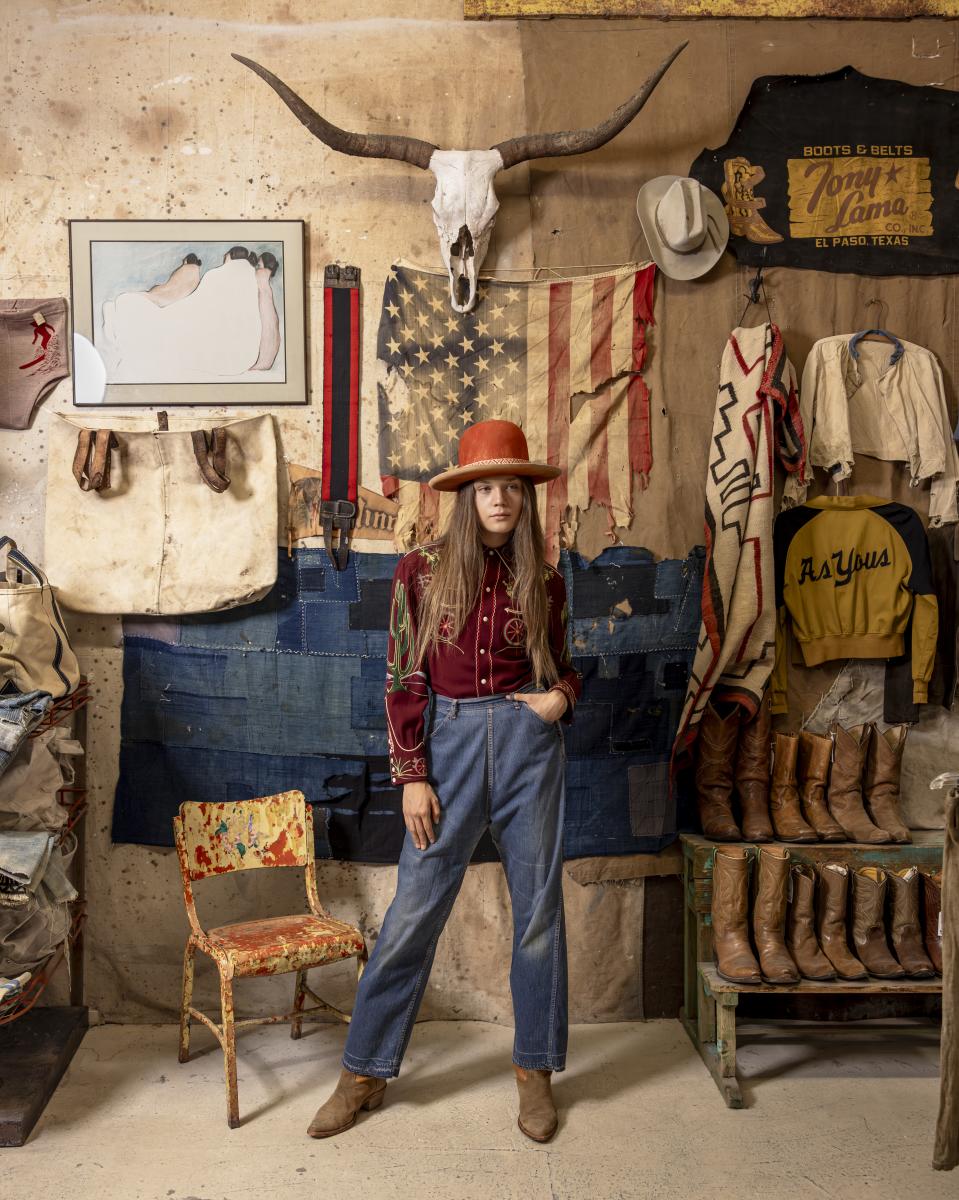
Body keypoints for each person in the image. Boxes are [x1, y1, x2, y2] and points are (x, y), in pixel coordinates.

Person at [308, 419, 581, 1143]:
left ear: (525, 495)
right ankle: (362, 1071)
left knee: (538, 916)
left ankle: (534, 1073)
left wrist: (560, 699)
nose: (499, 499)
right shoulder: (420, 571)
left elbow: (566, 664)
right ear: (465, 496)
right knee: (412, 914)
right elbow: (404, 674)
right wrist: (411, 775)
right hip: (449, 743)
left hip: (529, 747)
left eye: (510, 486)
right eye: (485, 486)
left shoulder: (547, 580)